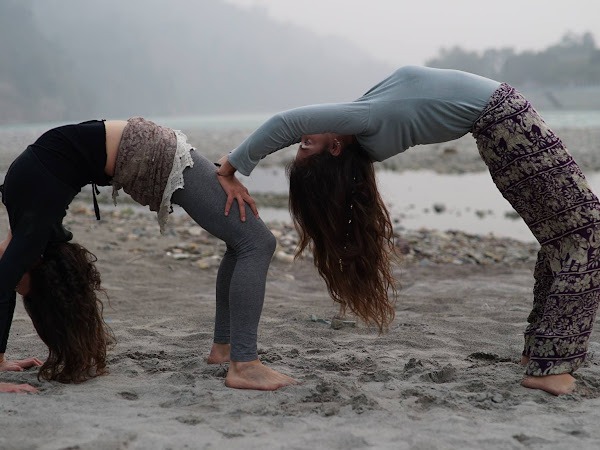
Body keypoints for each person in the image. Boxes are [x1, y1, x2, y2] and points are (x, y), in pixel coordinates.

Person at [215, 65, 600, 396]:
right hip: (507, 121)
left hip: (501, 122)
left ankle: (541, 353)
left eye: (301, 145)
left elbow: (290, 127)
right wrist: (231, 167)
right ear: (332, 148)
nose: (301, 140)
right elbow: (286, 123)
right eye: (305, 145)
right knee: (585, 234)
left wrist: (243, 159)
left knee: (566, 236)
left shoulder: (360, 123)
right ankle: (550, 367)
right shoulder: (363, 119)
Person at [0, 117, 296, 394]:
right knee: (256, 242)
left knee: (251, 242)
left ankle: (229, 352)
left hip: (149, 150)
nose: (19, 290)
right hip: (147, 148)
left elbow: (5, 277)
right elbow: (5, 276)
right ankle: (242, 364)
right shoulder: (31, 208)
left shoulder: (34, 223)